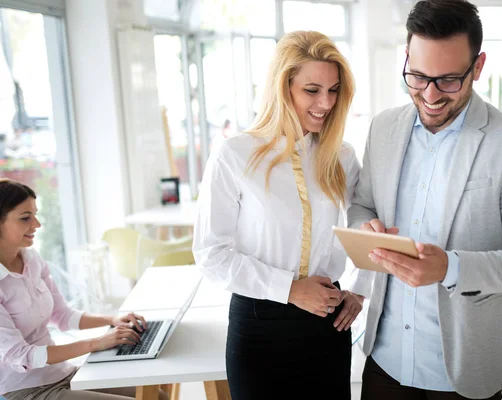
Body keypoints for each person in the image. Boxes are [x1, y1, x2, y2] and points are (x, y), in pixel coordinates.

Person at [348, 1, 502, 399]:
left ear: (477, 68)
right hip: (384, 360)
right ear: (406, 57)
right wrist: (364, 226)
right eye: (416, 76)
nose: (429, 95)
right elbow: (363, 205)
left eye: (447, 80)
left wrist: (451, 267)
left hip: (464, 371)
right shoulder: (383, 127)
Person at [193, 31, 364, 399]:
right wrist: (288, 289)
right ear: (283, 87)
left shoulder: (342, 156)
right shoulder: (235, 154)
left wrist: (361, 290)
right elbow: (211, 254)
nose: (326, 102)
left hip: (327, 326)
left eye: (334, 90)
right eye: (312, 90)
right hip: (259, 327)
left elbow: (367, 224)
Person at [0, 179, 168, 400]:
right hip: (25, 391)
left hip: (62, 374)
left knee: (157, 397)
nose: (37, 224)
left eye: (35, 214)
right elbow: (22, 356)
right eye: (25, 218)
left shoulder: (32, 260)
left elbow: (62, 316)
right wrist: (96, 344)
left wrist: (113, 319)